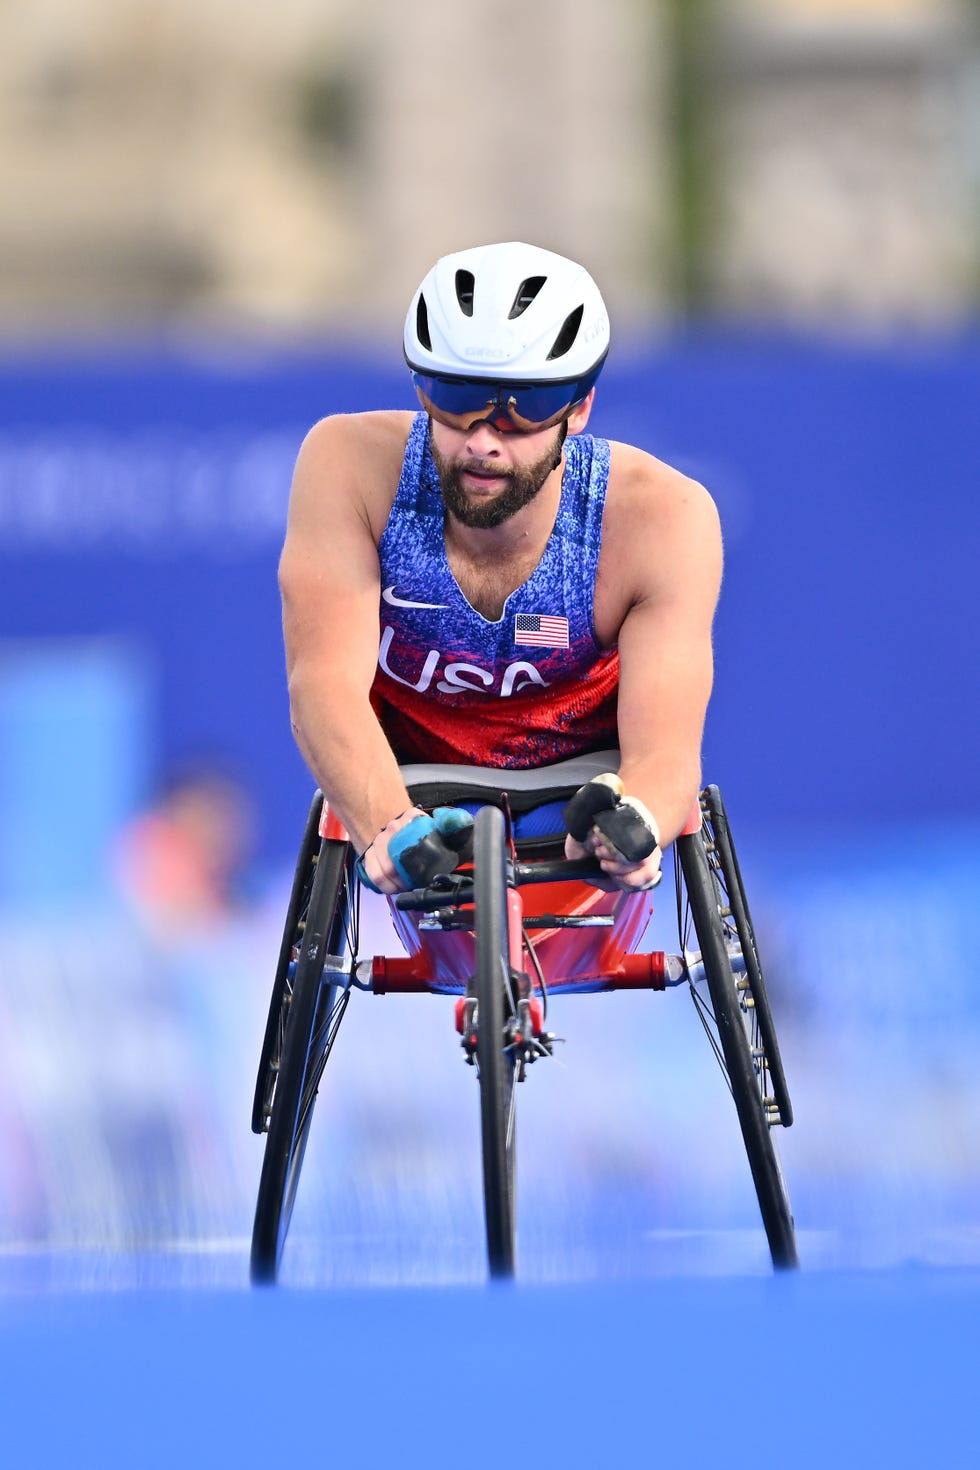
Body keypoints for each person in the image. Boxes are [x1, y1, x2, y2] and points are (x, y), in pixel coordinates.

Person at [279, 241, 722, 895]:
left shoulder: (664, 516)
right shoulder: (347, 465)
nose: (483, 439)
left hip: (576, 793)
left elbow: (666, 751)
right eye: (456, 397)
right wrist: (386, 824)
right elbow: (322, 687)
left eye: (525, 409)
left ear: (579, 409)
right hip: (410, 789)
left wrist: (636, 823)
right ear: (420, 389)